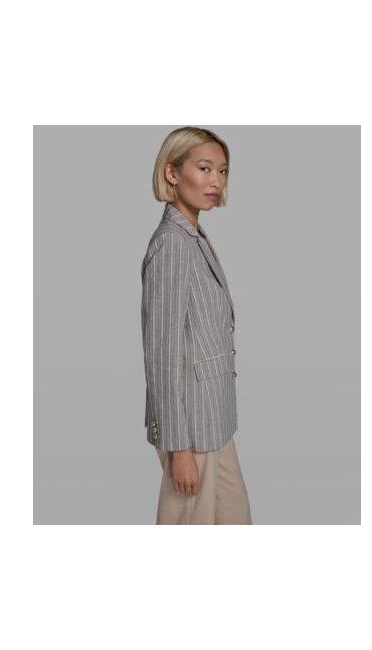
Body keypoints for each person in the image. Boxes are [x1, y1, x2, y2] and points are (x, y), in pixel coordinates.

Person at [140, 127, 252, 525]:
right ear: (172, 173)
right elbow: (162, 352)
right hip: (189, 429)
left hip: (213, 419)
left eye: (222, 171)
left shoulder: (193, 236)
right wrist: (179, 448)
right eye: (204, 169)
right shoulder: (172, 244)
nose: (215, 181)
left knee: (234, 518)